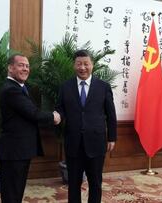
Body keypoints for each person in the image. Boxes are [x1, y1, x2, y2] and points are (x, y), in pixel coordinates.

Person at [0, 54, 61, 203]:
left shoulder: (20, 87)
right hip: (14, 150)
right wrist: (53, 117)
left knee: (16, 189)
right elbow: (33, 113)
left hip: (19, 150)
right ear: (10, 68)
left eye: (27, 66)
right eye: (21, 65)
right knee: (12, 192)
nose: (25, 69)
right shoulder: (11, 90)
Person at [56, 49, 117, 203]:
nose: (82, 67)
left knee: (95, 183)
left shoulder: (103, 87)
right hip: (73, 143)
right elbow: (60, 109)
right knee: (74, 183)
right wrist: (56, 116)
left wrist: (112, 138)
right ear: (73, 66)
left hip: (96, 142)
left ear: (92, 65)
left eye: (86, 64)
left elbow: (111, 114)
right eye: (79, 64)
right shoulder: (66, 87)